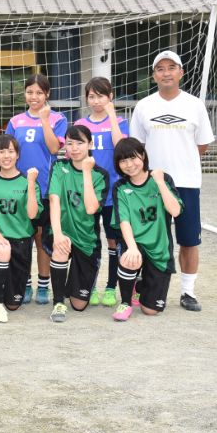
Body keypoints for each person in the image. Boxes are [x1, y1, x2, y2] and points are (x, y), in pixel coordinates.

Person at [129, 50, 214, 312]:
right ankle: (146, 285)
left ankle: (188, 292)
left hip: (186, 183)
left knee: (189, 240)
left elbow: (202, 146)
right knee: (150, 239)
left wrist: (181, 163)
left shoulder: (194, 105)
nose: (166, 73)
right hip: (152, 185)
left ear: (181, 72)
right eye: (160, 69)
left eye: (171, 67)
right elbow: (137, 147)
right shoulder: (144, 106)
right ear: (154, 75)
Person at [6, 74, 67, 306]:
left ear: (47, 94)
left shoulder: (58, 119)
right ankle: (24, 283)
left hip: (44, 188)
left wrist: (44, 120)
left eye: (39, 93)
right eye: (30, 92)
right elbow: (8, 153)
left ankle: (43, 285)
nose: (34, 97)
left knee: (41, 239)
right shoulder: (16, 121)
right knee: (22, 239)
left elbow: (54, 148)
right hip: (19, 189)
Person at [110, 138, 183, 321]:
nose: (129, 165)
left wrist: (159, 183)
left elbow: (175, 210)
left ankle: (140, 286)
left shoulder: (163, 178)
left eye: (133, 158)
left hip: (159, 248)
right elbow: (124, 221)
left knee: (150, 310)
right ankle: (125, 302)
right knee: (129, 256)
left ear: (142, 155)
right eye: (123, 161)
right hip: (135, 243)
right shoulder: (120, 187)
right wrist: (132, 247)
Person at [45, 125, 110, 323]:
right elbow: (54, 200)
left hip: (86, 238)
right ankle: (58, 302)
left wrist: (87, 173)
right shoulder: (58, 166)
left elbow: (91, 209)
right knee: (60, 248)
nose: (73, 148)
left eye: (79, 143)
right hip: (62, 232)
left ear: (90, 144)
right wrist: (57, 234)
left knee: (79, 305)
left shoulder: (100, 175)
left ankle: (73, 283)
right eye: (69, 143)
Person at [74, 77, 128, 307]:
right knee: (90, 241)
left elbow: (120, 147)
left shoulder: (121, 122)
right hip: (89, 192)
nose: (96, 101)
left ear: (110, 97)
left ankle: (110, 287)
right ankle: (91, 286)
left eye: (101, 96)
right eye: (92, 96)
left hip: (113, 193)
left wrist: (112, 116)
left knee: (114, 242)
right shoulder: (80, 124)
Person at [0, 134, 42, 323]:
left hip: (21, 241)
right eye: (1, 151)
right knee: (2, 249)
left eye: (10, 151)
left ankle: (5, 286)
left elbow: (32, 214)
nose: (6, 156)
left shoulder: (27, 181)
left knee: (14, 304)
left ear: (17, 155)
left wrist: (31, 184)